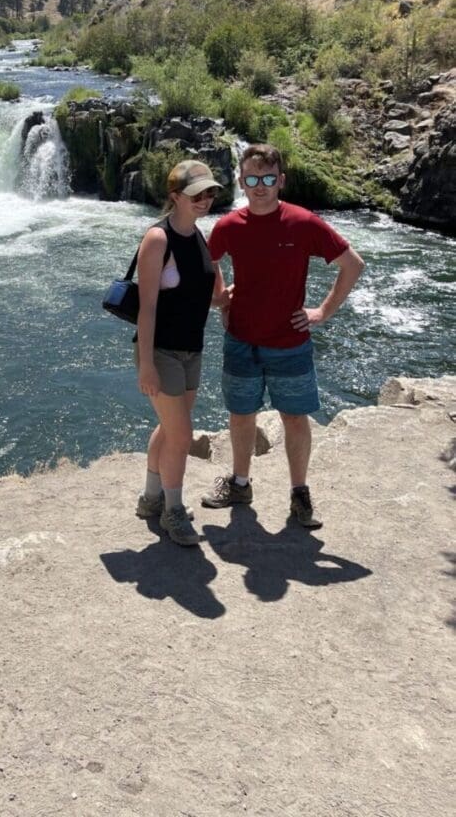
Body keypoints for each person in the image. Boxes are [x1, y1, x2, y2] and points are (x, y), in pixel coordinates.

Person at [203, 143, 365, 528]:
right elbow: (206, 262)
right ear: (241, 181)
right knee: (241, 415)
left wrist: (322, 312)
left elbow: (352, 265)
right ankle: (240, 483)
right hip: (241, 340)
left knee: (295, 419)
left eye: (269, 178)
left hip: (290, 345)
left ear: (281, 181)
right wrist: (219, 299)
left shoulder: (304, 222)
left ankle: (300, 494)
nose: (261, 186)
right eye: (253, 179)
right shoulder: (228, 226)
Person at [134, 159, 227, 546]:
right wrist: (146, 366)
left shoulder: (201, 238)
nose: (204, 200)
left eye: (209, 193)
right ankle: (173, 511)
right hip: (162, 351)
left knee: (172, 428)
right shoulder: (158, 239)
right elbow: (148, 306)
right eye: (195, 194)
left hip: (193, 349)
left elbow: (216, 296)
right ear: (175, 197)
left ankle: (151, 499)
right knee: (182, 434)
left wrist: (240, 295)